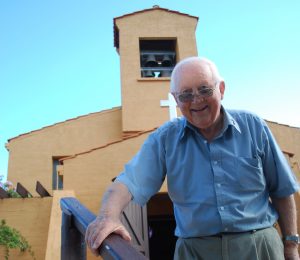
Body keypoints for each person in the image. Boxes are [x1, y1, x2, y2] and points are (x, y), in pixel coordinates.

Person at [85, 57, 299, 259]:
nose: (196, 100)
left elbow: (282, 189)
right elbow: (128, 183)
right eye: (185, 94)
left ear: (221, 89)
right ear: (176, 99)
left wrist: (291, 244)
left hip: (259, 248)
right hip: (195, 252)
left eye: (205, 89)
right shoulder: (165, 139)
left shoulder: (253, 127)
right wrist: (108, 216)